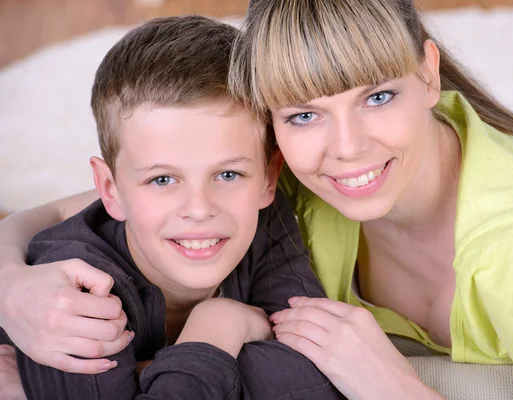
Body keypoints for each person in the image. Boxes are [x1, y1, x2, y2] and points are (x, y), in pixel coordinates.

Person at [1, 0, 513, 399]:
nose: (346, 149)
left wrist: (395, 387)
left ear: (428, 74)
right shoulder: (276, 173)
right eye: (306, 112)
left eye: (378, 97)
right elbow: (75, 209)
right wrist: (8, 283)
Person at [0, 14, 343, 400]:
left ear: (268, 178)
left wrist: (158, 369)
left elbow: (313, 383)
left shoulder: (265, 221)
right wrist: (219, 328)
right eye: (162, 179)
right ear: (109, 190)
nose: (199, 210)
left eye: (228, 175)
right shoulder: (77, 289)